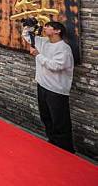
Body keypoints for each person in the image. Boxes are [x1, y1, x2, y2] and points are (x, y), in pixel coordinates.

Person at [23, 21, 75, 153]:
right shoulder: (43, 41)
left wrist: (38, 55)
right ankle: (52, 143)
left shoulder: (64, 48)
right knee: (46, 117)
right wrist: (29, 26)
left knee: (60, 121)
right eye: (44, 26)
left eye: (48, 26)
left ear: (57, 31)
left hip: (56, 90)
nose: (45, 28)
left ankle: (66, 150)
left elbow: (55, 66)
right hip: (42, 85)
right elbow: (27, 36)